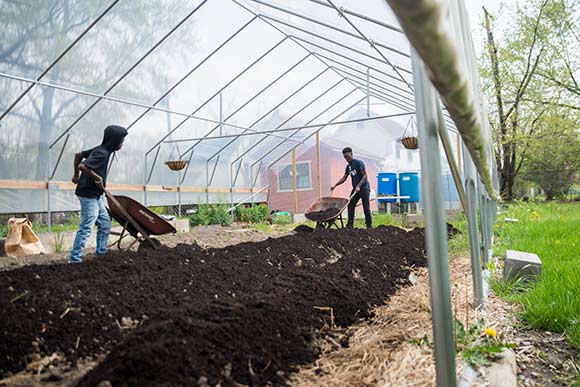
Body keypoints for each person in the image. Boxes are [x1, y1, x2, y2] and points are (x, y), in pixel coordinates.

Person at [69, 125, 128, 263]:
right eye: (121, 140)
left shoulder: (102, 150)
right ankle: (74, 259)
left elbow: (78, 156)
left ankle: (101, 254)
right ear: (114, 140)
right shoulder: (102, 153)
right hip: (88, 194)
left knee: (105, 223)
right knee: (87, 226)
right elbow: (83, 165)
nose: (122, 143)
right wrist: (96, 177)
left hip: (97, 194)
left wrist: (75, 176)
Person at [330, 147, 372, 229]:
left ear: (351, 154)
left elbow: (365, 176)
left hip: (364, 188)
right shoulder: (348, 166)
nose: (346, 159)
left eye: (347, 156)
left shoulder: (358, 163)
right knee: (350, 205)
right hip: (355, 189)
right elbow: (344, 178)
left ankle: (369, 226)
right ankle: (350, 225)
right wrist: (335, 185)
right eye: (345, 157)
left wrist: (359, 186)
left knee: (366, 208)